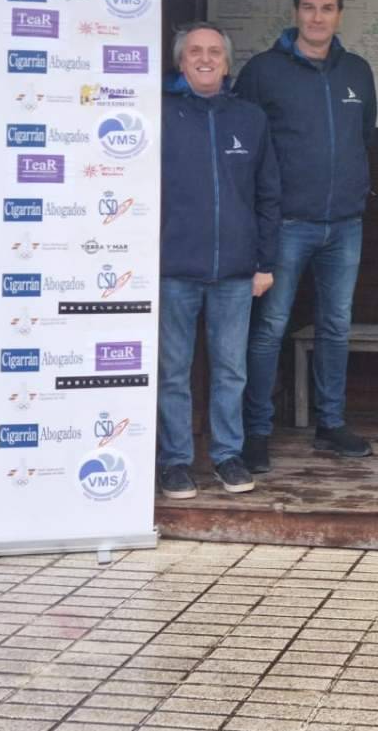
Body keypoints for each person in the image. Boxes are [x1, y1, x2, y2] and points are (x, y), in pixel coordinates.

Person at [233, 0, 377, 468]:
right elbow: (244, 145)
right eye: (310, 7)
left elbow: (364, 138)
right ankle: (256, 431)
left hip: (345, 224)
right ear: (295, 12)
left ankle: (330, 424)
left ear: (340, 14)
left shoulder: (357, 71)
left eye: (327, 8)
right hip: (286, 224)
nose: (318, 17)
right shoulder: (263, 71)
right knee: (270, 328)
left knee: (336, 327)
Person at [158, 24, 280, 498]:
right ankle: (175, 461)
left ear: (228, 64)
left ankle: (228, 455)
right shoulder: (161, 115)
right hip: (174, 269)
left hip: (235, 271)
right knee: (173, 372)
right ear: (181, 62)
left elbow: (268, 194)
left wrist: (265, 263)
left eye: (214, 52)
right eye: (195, 52)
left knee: (231, 370)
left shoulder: (250, 119)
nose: (205, 59)